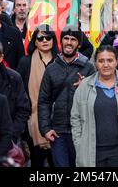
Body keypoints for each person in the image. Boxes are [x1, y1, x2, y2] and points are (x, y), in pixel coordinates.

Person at [71, 45, 118, 167]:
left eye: (110, 60)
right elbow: (75, 118)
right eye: (101, 61)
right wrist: (79, 144)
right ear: (95, 63)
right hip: (92, 152)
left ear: (117, 61)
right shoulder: (85, 85)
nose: (105, 65)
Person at [38, 25, 96, 167]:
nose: (69, 42)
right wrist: (45, 129)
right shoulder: (51, 68)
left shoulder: (89, 68)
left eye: (73, 39)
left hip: (82, 131)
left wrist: (86, 86)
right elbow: (43, 100)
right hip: (57, 132)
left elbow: (97, 98)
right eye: (66, 38)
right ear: (61, 41)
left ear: (79, 44)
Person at [17, 25, 58, 167]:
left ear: (54, 40)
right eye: (40, 38)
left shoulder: (61, 61)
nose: (44, 40)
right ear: (34, 41)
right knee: (36, 162)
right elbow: (19, 91)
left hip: (59, 122)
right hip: (32, 121)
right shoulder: (25, 62)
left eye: (48, 37)